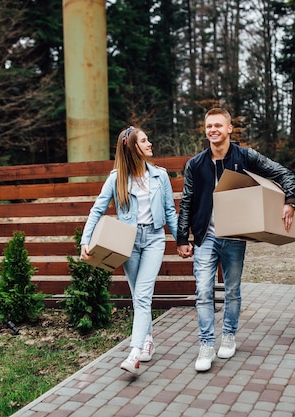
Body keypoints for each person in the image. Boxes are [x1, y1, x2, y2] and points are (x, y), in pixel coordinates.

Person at [176, 108, 295, 372]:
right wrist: (181, 237)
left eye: (218, 125)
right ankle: (206, 344)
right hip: (204, 237)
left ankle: (229, 335)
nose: (213, 130)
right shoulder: (195, 165)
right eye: (209, 126)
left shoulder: (244, 156)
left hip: (234, 236)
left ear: (230, 129)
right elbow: (186, 201)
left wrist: (290, 201)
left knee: (232, 290)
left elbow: (284, 173)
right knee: (203, 291)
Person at [80, 126, 179, 376]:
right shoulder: (117, 178)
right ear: (133, 147)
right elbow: (97, 210)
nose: (150, 144)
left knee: (143, 295)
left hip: (155, 239)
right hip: (129, 243)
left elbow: (170, 212)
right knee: (138, 296)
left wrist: (182, 241)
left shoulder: (160, 176)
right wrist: (85, 241)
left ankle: (134, 353)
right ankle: (147, 339)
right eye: (144, 141)